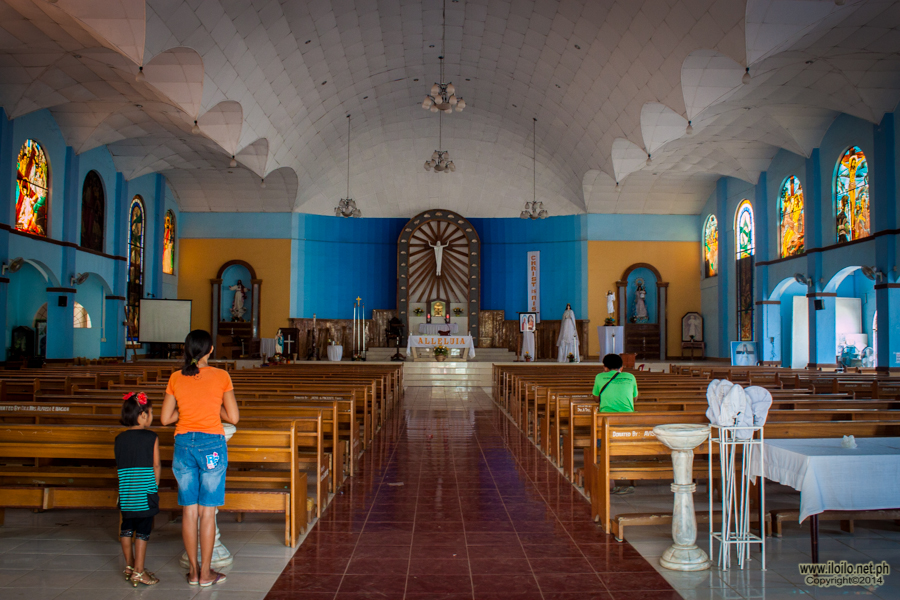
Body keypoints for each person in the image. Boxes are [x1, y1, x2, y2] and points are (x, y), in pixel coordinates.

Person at [161, 330, 240, 588]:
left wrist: (187, 409)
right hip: (212, 446)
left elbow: (164, 419)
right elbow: (233, 417)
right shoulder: (221, 376)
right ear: (210, 350)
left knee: (189, 511)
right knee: (207, 513)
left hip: (184, 444)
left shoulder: (176, 377)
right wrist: (211, 406)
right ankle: (206, 573)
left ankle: (193, 572)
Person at [115, 391, 161, 587]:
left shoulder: (119, 439)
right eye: (150, 413)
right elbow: (156, 465)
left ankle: (129, 566)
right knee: (142, 531)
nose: (151, 417)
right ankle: (140, 572)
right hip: (145, 492)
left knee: (126, 528)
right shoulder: (151, 437)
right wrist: (155, 485)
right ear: (142, 415)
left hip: (126, 492)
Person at [592, 354, 638, 495]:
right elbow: (635, 398)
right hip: (628, 421)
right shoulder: (630, 377)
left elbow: (596, 398)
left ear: (604, 367)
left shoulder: (600, 377)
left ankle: (609, 481)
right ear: (622, 367)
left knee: (604, 446)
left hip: (607, 420)